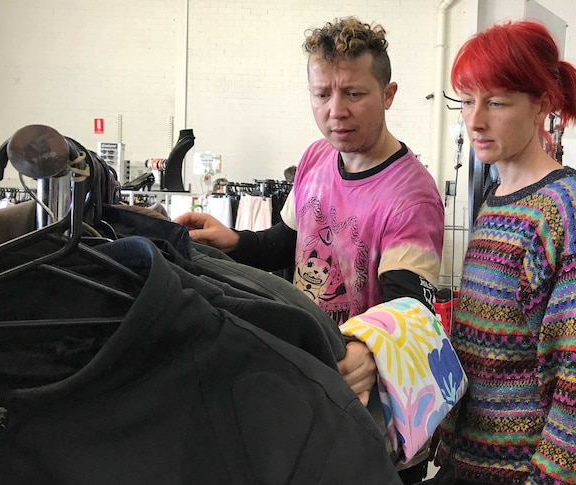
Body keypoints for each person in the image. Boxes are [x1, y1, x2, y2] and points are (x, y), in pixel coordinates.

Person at [173, 16, 444, 484]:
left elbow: (410, 306)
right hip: (312, 384)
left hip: (371, 410)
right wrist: (233, 240)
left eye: (354, 94)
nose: (335, 110)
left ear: (389, 94)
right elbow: (286, 243)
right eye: (322, 94)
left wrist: (367, 351)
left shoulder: (411, 195)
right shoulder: (317, 158)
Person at [432, 20, 576, 484]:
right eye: (466, 101)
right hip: (470, 462)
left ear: (541, 104)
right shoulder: (499, 199)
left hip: (520, 473)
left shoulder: (569, 213)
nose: (475, 119)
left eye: (496, 102)